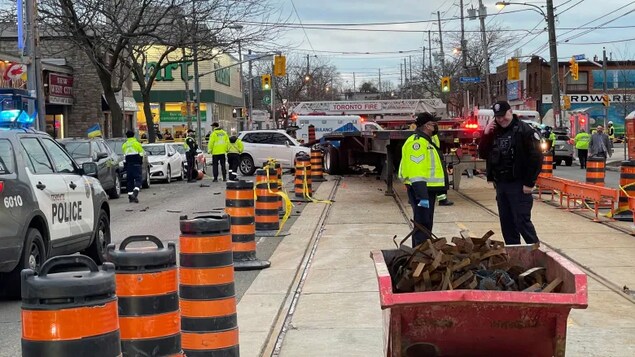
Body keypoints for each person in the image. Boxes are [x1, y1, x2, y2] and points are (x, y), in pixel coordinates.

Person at [478, 101, 542, 245]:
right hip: (501, 184)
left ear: (510, 112)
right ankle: (514, 255)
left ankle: (536, 252)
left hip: (519, 184)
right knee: (507, 223)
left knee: (522, 222)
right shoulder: (495, 131)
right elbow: (483, 153)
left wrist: (529, 182)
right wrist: (486, 134)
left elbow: (536, 157)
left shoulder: (524, 130)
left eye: (503, 116)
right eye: (498, 117)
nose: (501, 120)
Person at [398, 112, 449, 247]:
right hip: (421, 190)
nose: (436, 126)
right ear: (427, 126)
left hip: (428, 190)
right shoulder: (417, 144)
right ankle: (419, 256)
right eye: (434, 124)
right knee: (422, 225)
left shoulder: (428, 139)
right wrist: (422, 196)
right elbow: (416, 171)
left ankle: (423, 254)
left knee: (426, 224)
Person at [122, 130, 145, 203]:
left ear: (127, 136)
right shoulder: (137, 144)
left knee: (129, 181)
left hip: (129, 165)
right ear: (133, 135)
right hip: (136, 164)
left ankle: (130, 197)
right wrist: (140, 162)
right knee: (138, 179)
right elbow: (141, 154)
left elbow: (124, 157)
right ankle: (135, 194)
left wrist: (125, 166)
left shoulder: (124, 145)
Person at [432, 134, 454, 206]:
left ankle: (442, 199)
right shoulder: (428, 135)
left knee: (439, 178)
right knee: (440, 178)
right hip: (433, 158)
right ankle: (442, 199)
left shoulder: (431, 134)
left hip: (434, 157)